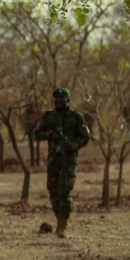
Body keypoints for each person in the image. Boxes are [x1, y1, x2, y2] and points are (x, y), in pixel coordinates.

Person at [33, 88, 91, 238]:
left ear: (68, 100)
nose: (58, 100)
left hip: (69, 160)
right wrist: (49, 135)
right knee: (53, 191)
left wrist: (73, 145)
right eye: (56, 98)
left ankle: (63, 226)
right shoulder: (49, 117)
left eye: (62, 97)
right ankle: (59, 220)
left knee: (64, 192)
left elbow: (85, 137)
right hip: (54, 159)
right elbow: (36, 134)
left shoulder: (76, 117)